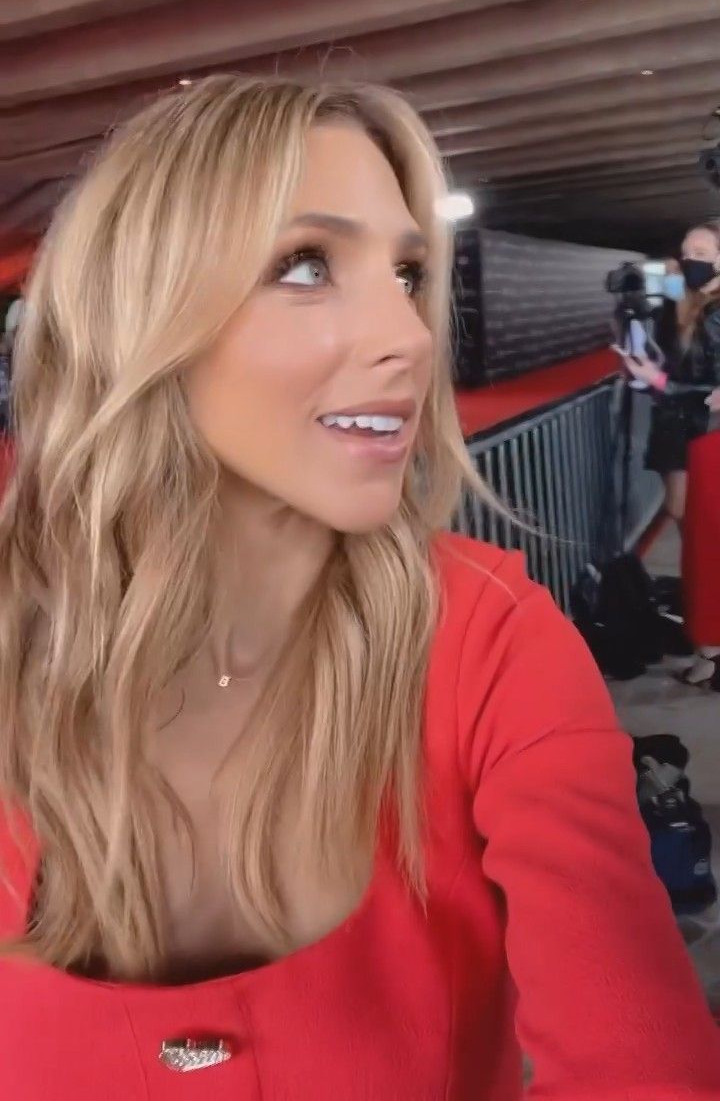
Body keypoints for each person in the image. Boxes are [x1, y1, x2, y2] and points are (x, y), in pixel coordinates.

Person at [1, 77, 719, 1101]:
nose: (412, 336)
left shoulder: (485, 638)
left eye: (408, 273)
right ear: (140, 310)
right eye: (306, 265)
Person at [619, 223, 720, 685]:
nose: (689, 258)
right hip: (679, 428)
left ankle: (710, 646)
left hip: (702, 432)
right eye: (685, 250)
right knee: (691, 529)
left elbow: (709, 391)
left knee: (702, 536)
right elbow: (665, 338)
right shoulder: (688, 300)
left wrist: (657, 380)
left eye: (701, 250)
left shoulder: (715, 311)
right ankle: (707, 636)